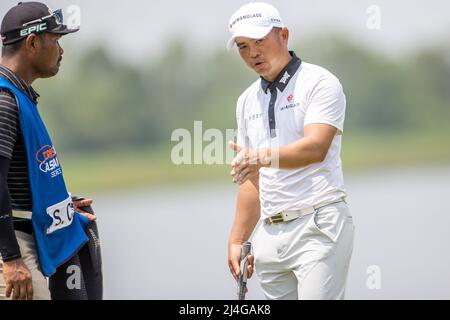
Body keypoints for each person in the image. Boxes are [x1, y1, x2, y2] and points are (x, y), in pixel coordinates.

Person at [226, 2, 355, 300]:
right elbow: (251, 180)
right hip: (269, 236)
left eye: (259, 41)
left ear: (284, 35)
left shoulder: (320, 82)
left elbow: (316, 147)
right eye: (243, 46)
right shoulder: (246, 101)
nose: (252, 53)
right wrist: (237, 238)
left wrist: (260, 157)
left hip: (318, 225)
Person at [0, 1, 96, 300]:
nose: (61, 50)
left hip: (25, 240)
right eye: (55, 40)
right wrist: (11, 259)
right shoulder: (4, 100)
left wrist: (62, 205)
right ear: (32, 42)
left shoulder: (20, 95)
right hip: (13, 250)